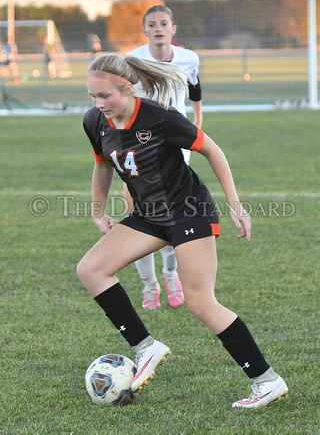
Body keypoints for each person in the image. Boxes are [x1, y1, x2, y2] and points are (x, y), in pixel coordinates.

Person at [77, 53, 288, 408]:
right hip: (149, 215)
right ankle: (147, 347)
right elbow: (102, 165)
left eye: (105, 96)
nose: (99, 105)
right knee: (90, 269)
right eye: (92, 97)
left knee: (201, 302)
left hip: (190, 212)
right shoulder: (95, 121)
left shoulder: (159, 117)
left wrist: (235, 204)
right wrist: (99, 210)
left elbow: (212, 150)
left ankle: (267, 382)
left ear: (126, 88)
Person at [126, 5, 203, 310]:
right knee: (139, 218)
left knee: (173, 216)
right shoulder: (132, 60)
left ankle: (171, 275)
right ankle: (150, 286)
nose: (158, 28)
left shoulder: (189, 58)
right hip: (139, 149)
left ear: (173, 28)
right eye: (152, 24)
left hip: (176, 148)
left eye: (164, 23)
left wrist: (198, 118)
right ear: (144, 30)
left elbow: (195, 86)